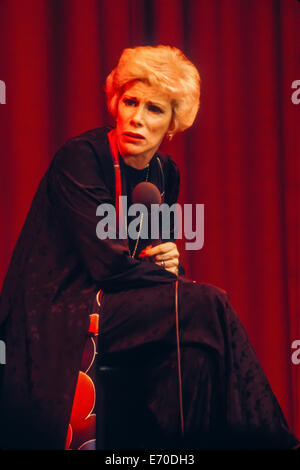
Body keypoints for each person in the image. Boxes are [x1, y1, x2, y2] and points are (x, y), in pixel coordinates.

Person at [0, 45, 298, 450]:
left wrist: (168, 263)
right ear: (116, 104)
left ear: (173, 124)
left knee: (193, 351)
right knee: (208, 304)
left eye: (154, 109)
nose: (137, 118)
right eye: (130, 102)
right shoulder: (81, 157)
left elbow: (149, 265)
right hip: (59, 306)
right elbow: (106, 261)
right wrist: (164, 277)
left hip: (118, 302)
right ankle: (273, 442)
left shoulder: (163, 173)